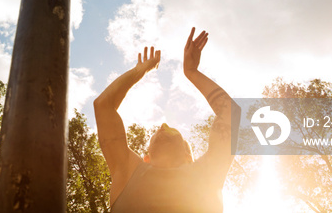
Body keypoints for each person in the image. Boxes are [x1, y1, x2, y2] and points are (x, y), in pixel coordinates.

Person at [94, 27, 240, 212]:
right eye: (160, 130)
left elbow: (231, 114)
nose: (163, 125)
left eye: (174, 132)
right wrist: (138, 71)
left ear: (189, 158)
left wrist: (192, 72)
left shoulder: (206, 175)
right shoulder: (129, 171)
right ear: (145, 158)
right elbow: (102, 106)